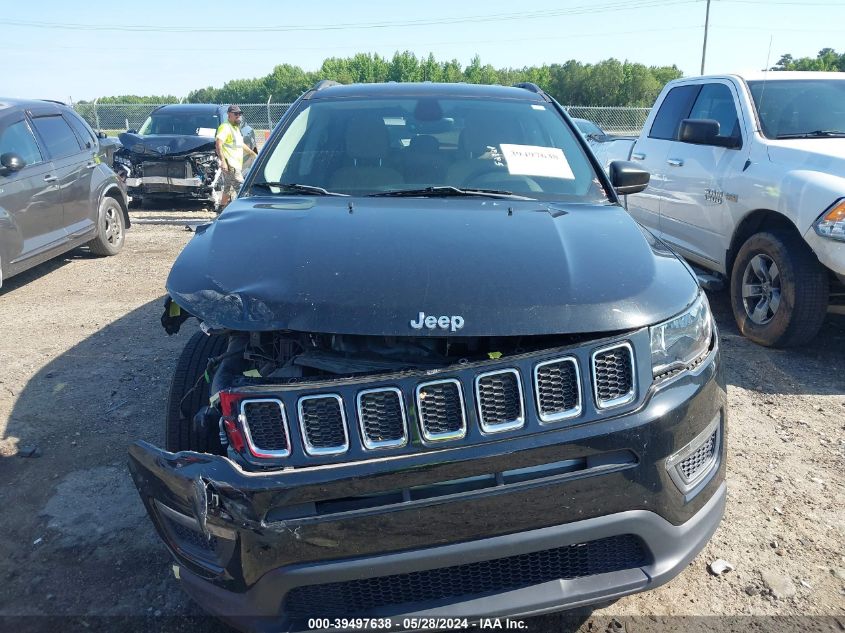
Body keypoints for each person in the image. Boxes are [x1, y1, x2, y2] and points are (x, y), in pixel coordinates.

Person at [215, 105, 258, 209]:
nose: (238, 116)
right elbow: (218, 144)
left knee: (228, 187)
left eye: (240, 114)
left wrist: (252, 153)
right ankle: (247, 210)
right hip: (230, 164)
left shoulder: (235, 128)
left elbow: (240, 144)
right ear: (229, 115)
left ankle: (221, 208)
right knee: (242, 188)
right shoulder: (225, 127)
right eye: (236, 114)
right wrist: (223, 161)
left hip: (236, 164)